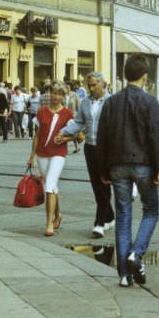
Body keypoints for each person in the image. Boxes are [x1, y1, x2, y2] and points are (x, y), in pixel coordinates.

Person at [97, 54, 159, 287]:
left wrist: (103, 170)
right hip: (144, 164)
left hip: (116, 166)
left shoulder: (111, 102)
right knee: (151, 210)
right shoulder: (150, 102)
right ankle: (137, 253)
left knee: (123, 216)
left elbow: (102, 139)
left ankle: (124, 275)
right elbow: (155, 138)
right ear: (145, 77)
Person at [57, 72, 114, 238]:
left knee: (104, 184)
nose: (91, 88)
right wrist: (64, 132)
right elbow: (79, 122)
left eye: (94, 84)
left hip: (107, 149)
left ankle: (99, 224)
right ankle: (109, 215)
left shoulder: (111, 102)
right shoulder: (86, 102)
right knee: (97, 185)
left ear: (103, 84)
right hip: (91, 148)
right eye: (89, 85)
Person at [28, 82, 74, 237]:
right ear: (50, 94)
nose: (56, 97)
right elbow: (37, 135)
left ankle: (49, 224)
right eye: (54, 93)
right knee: (51, 186)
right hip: (42, 153)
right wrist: (31, 157)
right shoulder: (41, 112)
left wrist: (66, 138)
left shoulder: (68, 114)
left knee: (49, 185)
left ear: (63, 96)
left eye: (60, 94)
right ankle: (58, 215)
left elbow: (78, 136)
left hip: (58, 154)